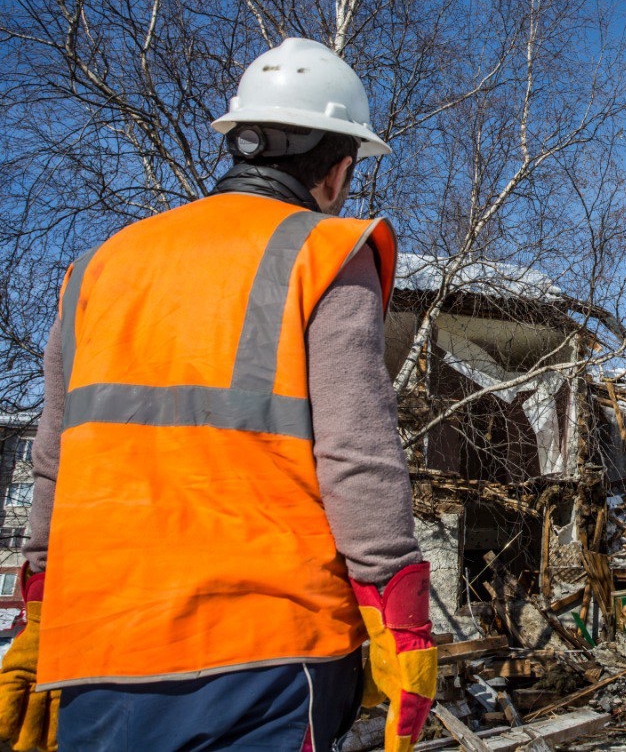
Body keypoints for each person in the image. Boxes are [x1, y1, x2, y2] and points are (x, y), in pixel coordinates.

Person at [0, 38, 437, 751]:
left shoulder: (99, 268)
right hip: (264, 652)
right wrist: (402, 619)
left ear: (240, 145)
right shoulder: (325, 254)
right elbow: (358, 455)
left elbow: (55, 458)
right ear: (340, 169)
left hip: (95, 652)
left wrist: (39, 612)